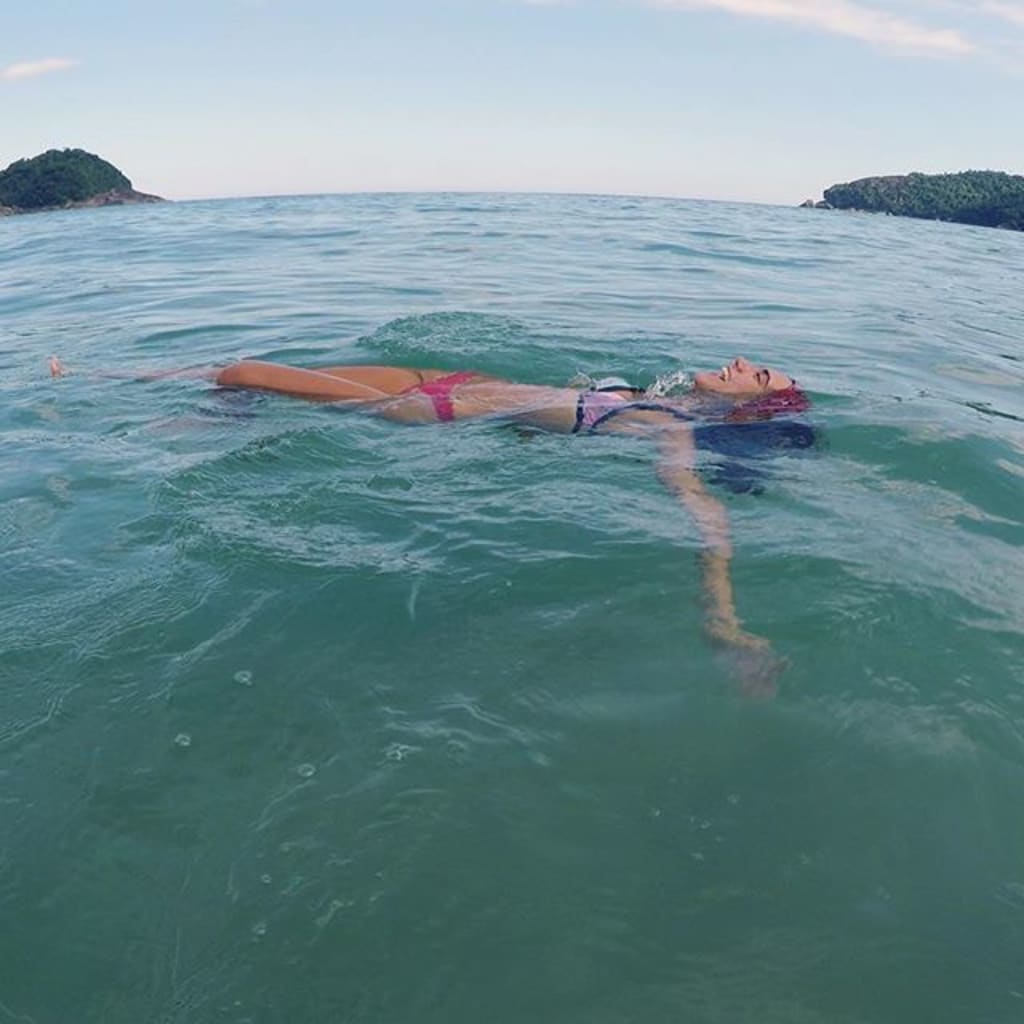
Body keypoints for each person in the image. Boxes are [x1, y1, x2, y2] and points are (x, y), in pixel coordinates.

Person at [49, 353, 811, 691]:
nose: (744, 361)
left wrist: (726, 625)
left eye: (761, 373)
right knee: (252, 371)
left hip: (430, 409)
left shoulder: (669, 430)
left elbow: (707, 522)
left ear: (754, 405)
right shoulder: (658, 392)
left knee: (244, 371)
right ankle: (175, 404)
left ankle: (96, 387)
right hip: (447, 380)